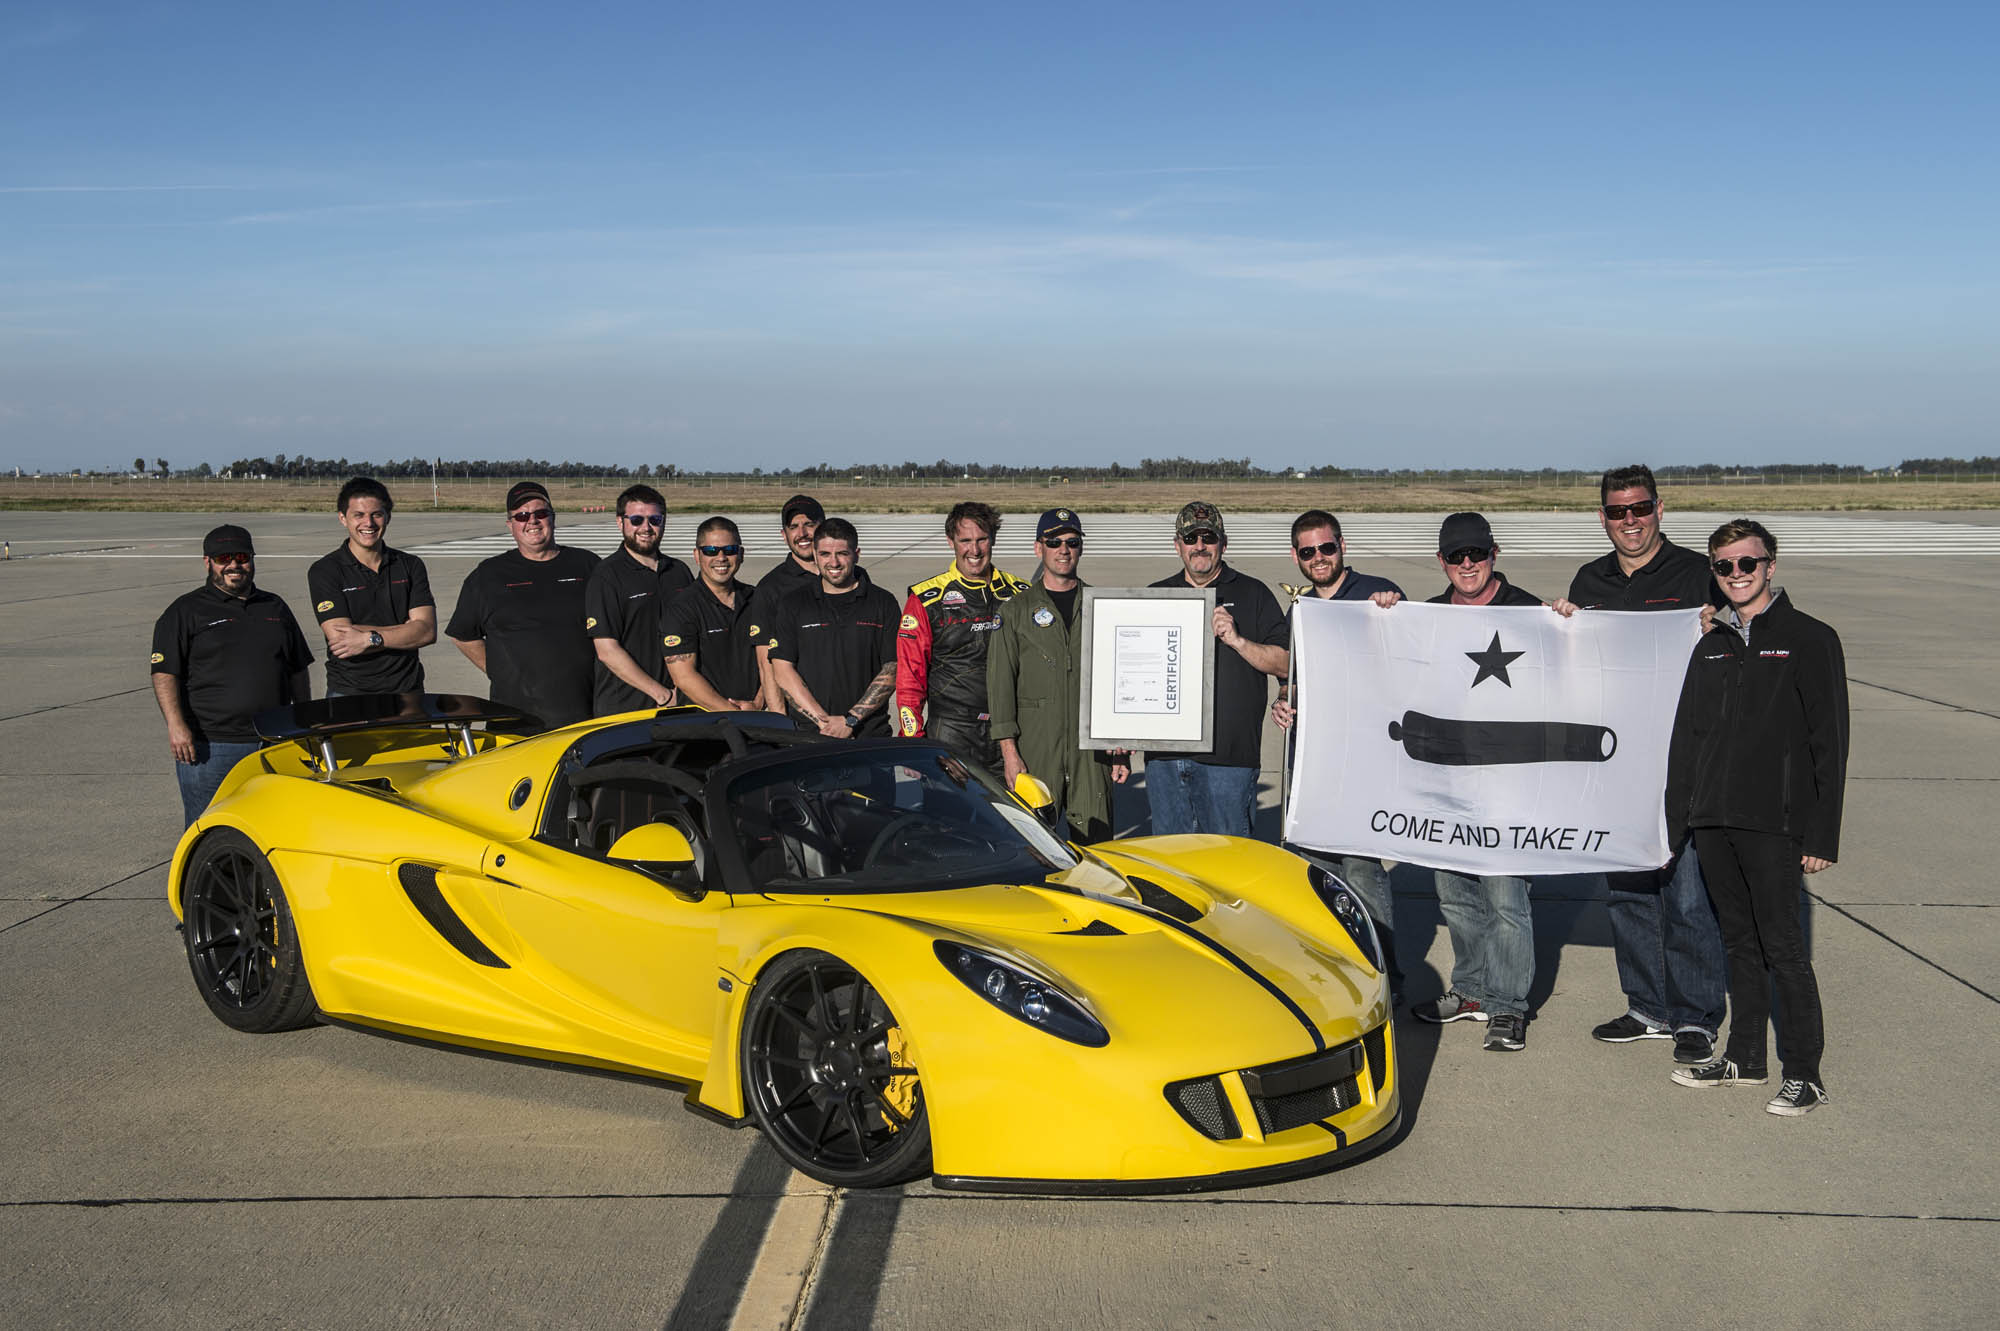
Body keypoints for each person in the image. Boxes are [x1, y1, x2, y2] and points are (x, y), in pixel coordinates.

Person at [1667, 519, 1846, 1116]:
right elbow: (1687, 740)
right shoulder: (1711, 643)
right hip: (1714, 821)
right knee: (1737, 942)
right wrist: (1679, 821)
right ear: (1714, 572)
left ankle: (1806, 1072)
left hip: (1776, 824)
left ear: (1771, 566)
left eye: (1748, 563)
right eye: (1724, 565)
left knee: (1783, 948)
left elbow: (1830, 744)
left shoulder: (1810, 638)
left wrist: (1821, 833)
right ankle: (1745, 1056)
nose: (1737, 574)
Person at [1569, 464, 1730, 1064]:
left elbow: (1747, 628)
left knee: (1687, 894)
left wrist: (1725, 625)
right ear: (1603, 517)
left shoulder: (1696, 573)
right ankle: (1648, 1006)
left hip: (1683, 758)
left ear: (1660, 509)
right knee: (1629, 890)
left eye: (1639, 509)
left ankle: (1695, 1016)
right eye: (1617, 512)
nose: (1629, 521)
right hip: (1616, 761)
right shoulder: (1590, 579)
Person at [1405, 512, 1545, 1052]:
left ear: (1494, 554)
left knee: (1507, 898)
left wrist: (1568, 621)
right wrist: (1385, 617)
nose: (1468, 565)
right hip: (1447, 786)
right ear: (1442, 561)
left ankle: (1508, 1005)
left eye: (1477, 554)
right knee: (1456, 895)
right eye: (1457, 556)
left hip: (1509, 786)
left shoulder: (1529, 613)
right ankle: (1471, 990)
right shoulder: (1427, 616)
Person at [1269, 509, 1406, 995]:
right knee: (1317, 878)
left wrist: (1396, 610)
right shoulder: (1301, 608)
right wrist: (1283, 703)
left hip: (1363, 766)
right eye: (1308, 552)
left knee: (1364, 875)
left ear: (1342, 545)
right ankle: (1335, 978)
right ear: (1296, 557)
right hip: (1311, 765)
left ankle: (1385, 977)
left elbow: (1406, 659)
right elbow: (1295, 677)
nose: (1319, 558)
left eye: (1326, 548)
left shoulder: (1377, 593)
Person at [150, 525, 314, 826]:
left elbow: (297, 668)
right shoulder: (185, 611)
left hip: (273, 743)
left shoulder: (274, 606)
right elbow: (164, 672)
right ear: (207, 562)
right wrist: (176, 726)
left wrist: (302, 719)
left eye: (242, 557)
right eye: (224, 558)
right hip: (212, 747)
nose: (234, 565)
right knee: (209, 829)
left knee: (272, 826)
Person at [1143, 501, 1290, 837]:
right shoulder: (1153, 597)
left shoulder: (1253, 594)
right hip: (1165, 762)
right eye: (1191, 538)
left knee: (1228, 865)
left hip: (1229, 762)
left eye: (1208, 538)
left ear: (1224, 543)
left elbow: (1285, 662)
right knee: (1172, 866)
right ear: (1177, 545)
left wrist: (1238, 641)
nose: (1200, 546)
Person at [987, 509, 1130, 841]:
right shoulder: (1015, 612)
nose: (1063, 550)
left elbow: (1122, 680)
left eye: (1072, 542)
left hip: (1092, 756)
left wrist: (1122, 746)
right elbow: (1000, 688)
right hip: (1035, 751)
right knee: (1033, 848)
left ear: (1081, 548)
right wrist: (1009, 754)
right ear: (1039, 549)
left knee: (1097, 850)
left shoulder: (1104, 607)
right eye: (1054, 542)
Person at [445, 482, 601, 729]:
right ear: (511, 525)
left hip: (583, 712)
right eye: (522, 516)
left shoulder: (587, 565)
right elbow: (463, 636)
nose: (532, 522)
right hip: (516, 718)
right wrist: (501, 671)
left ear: (552, 518)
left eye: (540, 514)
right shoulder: (488, 575)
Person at [895, 501, 1031, 773]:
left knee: (1014, 814)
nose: (975, 550)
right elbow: (910, 676)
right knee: (947, 814)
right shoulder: (925, 599)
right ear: (950, 542)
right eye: (965, 540)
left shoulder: (1019, 593)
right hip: (951, 731)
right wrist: (913, 739)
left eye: (982, 539)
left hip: (1010, 731)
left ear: (993, 539)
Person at [761, 518, 901, 737]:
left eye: (842, 554)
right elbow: (782, 669)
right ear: (815, 556)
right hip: (811, 735)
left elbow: (893, 667)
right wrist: (824, 723)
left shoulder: (883, 602)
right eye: (825, 554)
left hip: (869, 735)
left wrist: (851, 719)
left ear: (856, 554)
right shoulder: (793, 603)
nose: (833, 563)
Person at [306, 476, 435, 698]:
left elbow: (426, 631)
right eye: (359, 515)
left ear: (388, 517)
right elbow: (341, 638)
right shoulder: (325, 570)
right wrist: (405, 630)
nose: (369, 523)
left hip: (408, 691)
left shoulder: (410, 565)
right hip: (349, 692)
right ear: (342, 518)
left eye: (376, 514)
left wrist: (368, 638)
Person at [584, 483, 693, 716]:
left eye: (654, 519)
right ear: (620, 522)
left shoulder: (679, 571)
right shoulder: (607, 576)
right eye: (636, 520)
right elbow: (606, 650)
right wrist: (661, 695)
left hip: (679, 702)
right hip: (626, 707)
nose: (646, 527)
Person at [663, 516, 763, 712]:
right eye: (710, 551)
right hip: (705, 722)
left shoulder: (758, 599)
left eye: (730, 550)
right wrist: (732, 712)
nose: (721, 558)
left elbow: (772, 661)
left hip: (756, 715)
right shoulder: (681, 608)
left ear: (740, 554)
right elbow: (683, 676)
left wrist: (758, 703)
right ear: (696, 555)